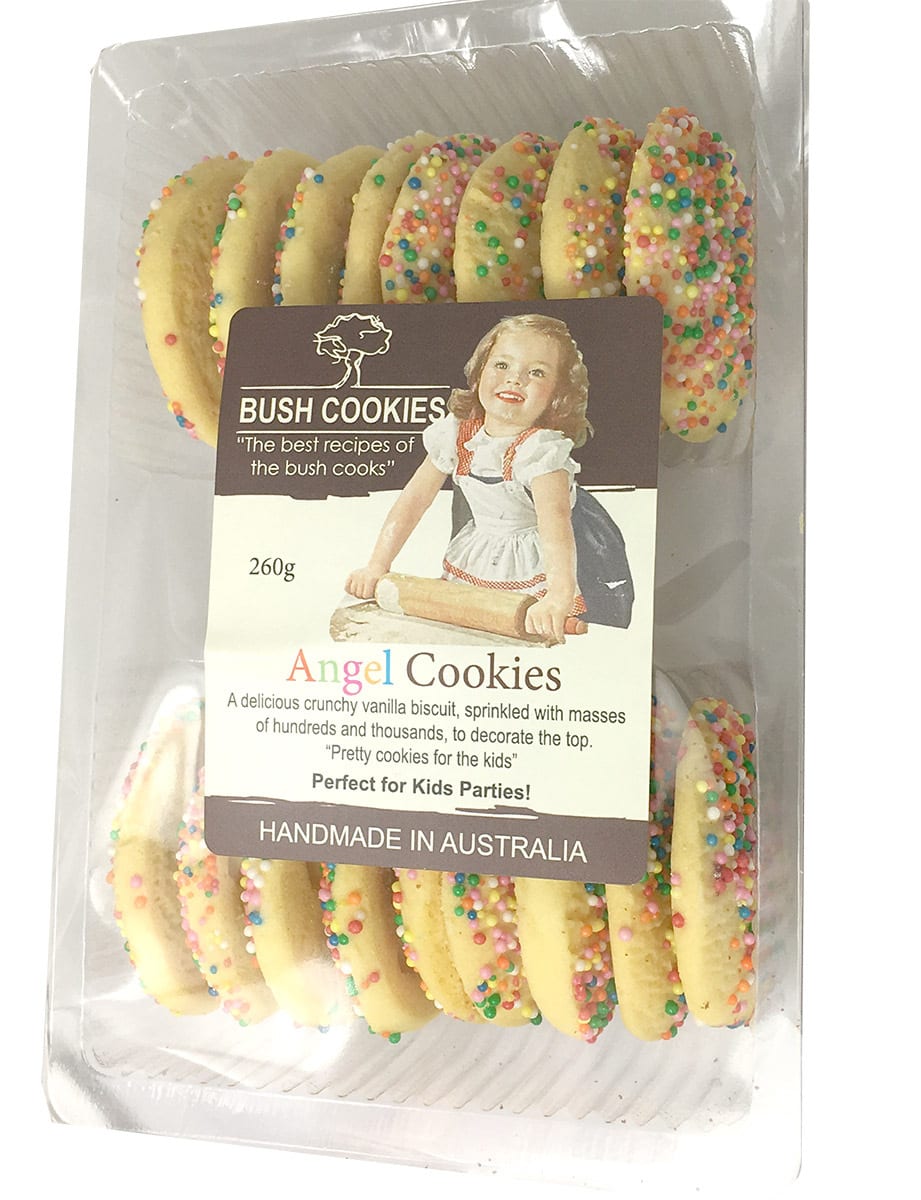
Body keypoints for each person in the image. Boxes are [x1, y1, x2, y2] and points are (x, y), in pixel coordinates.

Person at [345, 313, 596, 644]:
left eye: (536, 372)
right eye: (502, 365)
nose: (515, 379)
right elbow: (413, 501)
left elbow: (556, 525)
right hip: (474, 556)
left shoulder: (541, 452)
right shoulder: (455, 436)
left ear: (558, 393)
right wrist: (377, 565)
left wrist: (558, 597)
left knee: (519, 631)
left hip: (531, 569)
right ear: (480, 372)